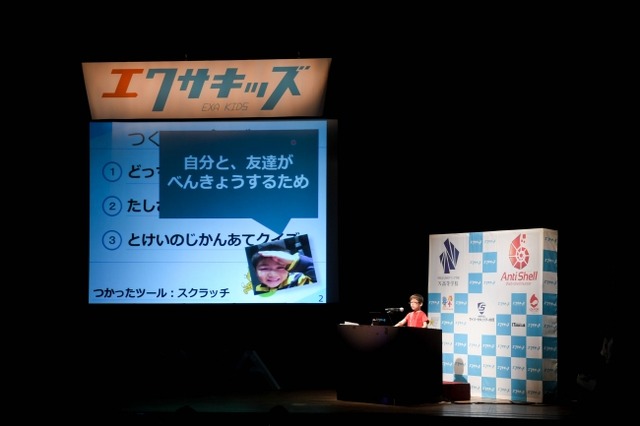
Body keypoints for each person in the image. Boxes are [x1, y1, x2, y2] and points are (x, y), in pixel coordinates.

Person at [251, 244, 316, 294]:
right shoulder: (258, 291)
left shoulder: (298, 280)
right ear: (255, 271)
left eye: (280, 267)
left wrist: (293, 259)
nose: (273, 275)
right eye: (265, 269)